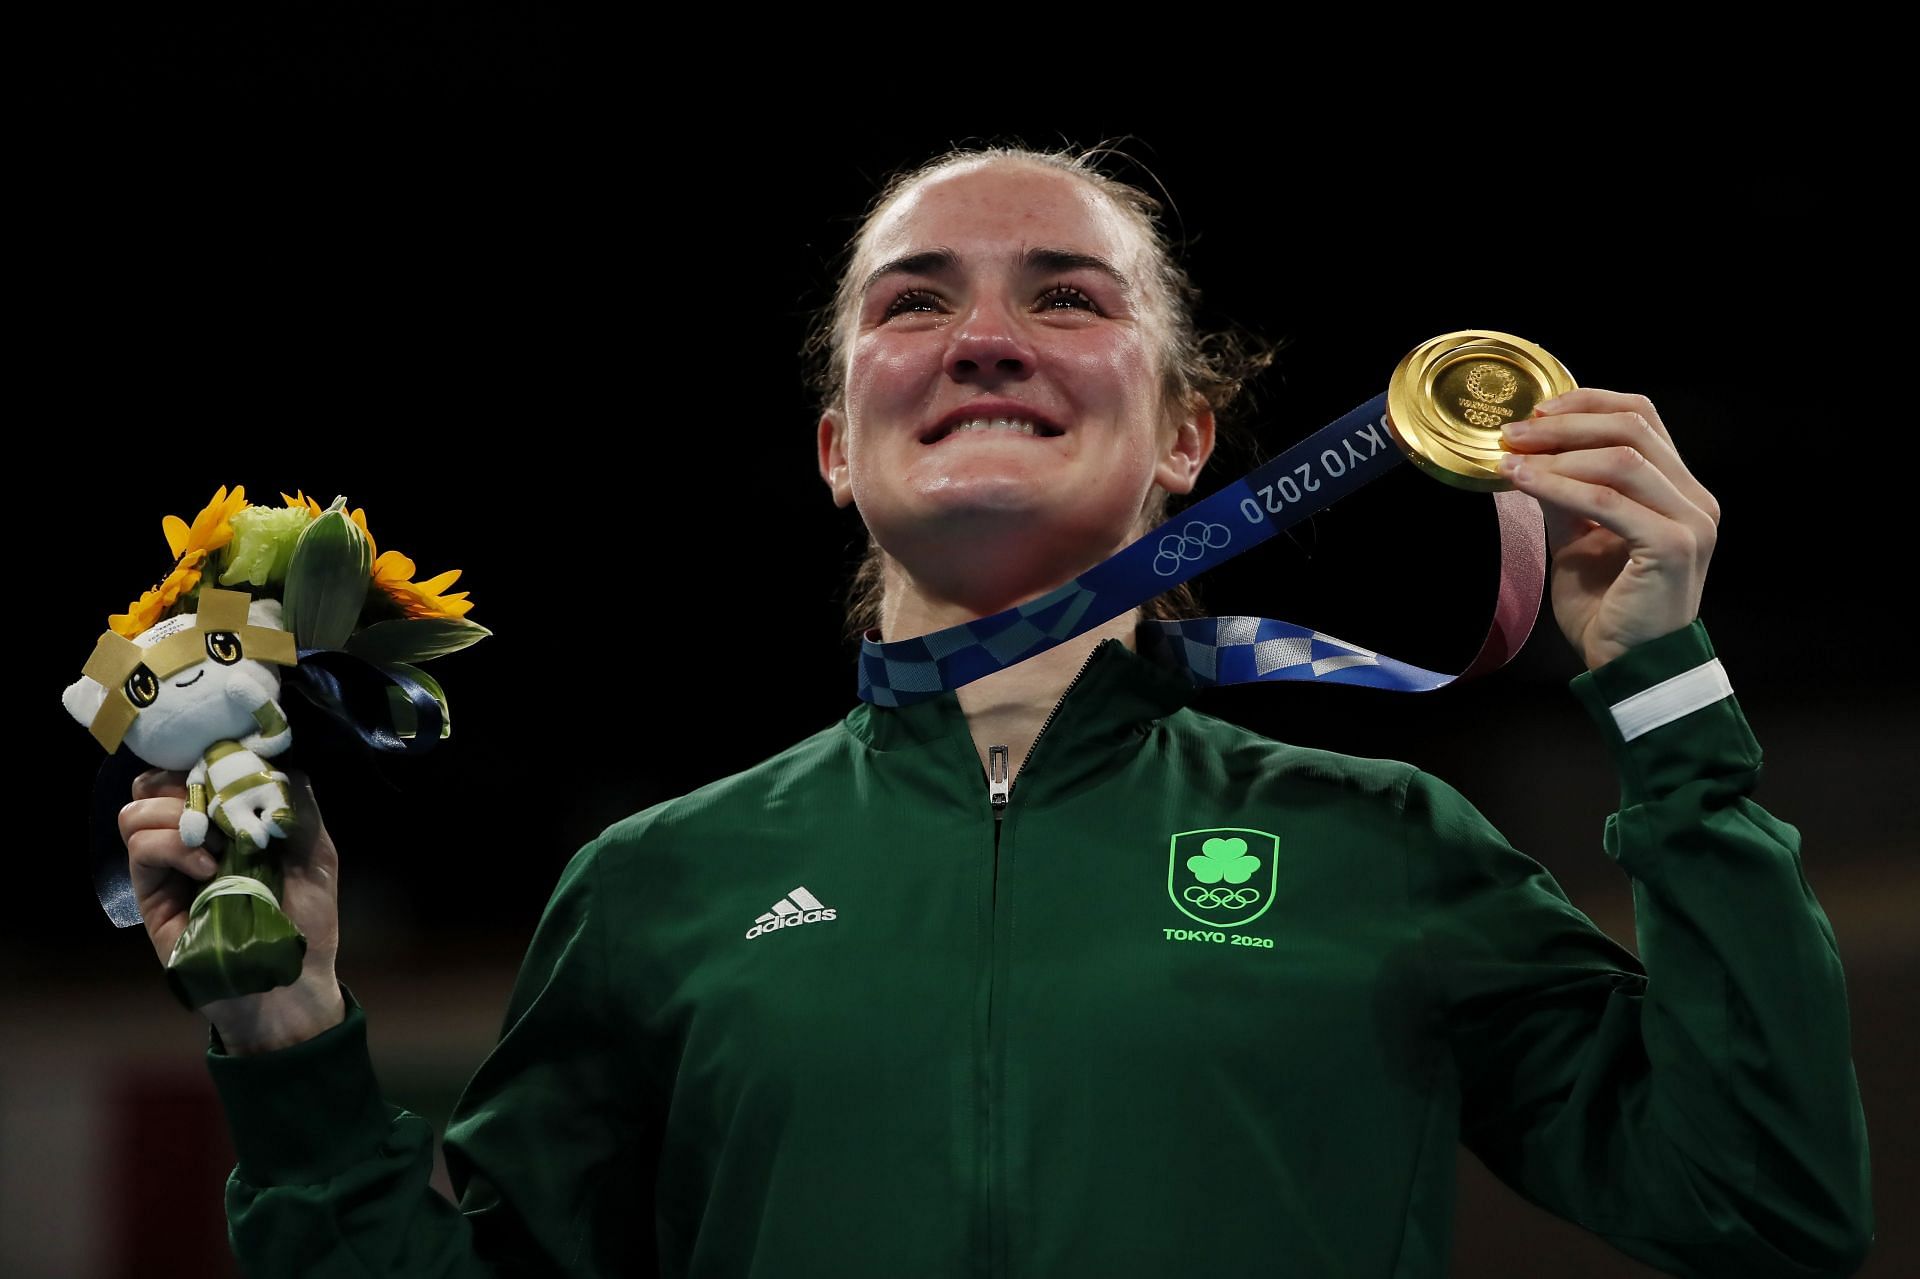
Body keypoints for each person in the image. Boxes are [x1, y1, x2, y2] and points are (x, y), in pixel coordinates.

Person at [118, 145, 1875, 1277]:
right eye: (915, 303)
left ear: (1185, 436)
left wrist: (1666, 691)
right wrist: (292, 1043)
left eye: (1066, 295)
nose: (985, 337)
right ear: (836, 448)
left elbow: (1769, 1204)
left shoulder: (1385, 852)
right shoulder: (660, 886)